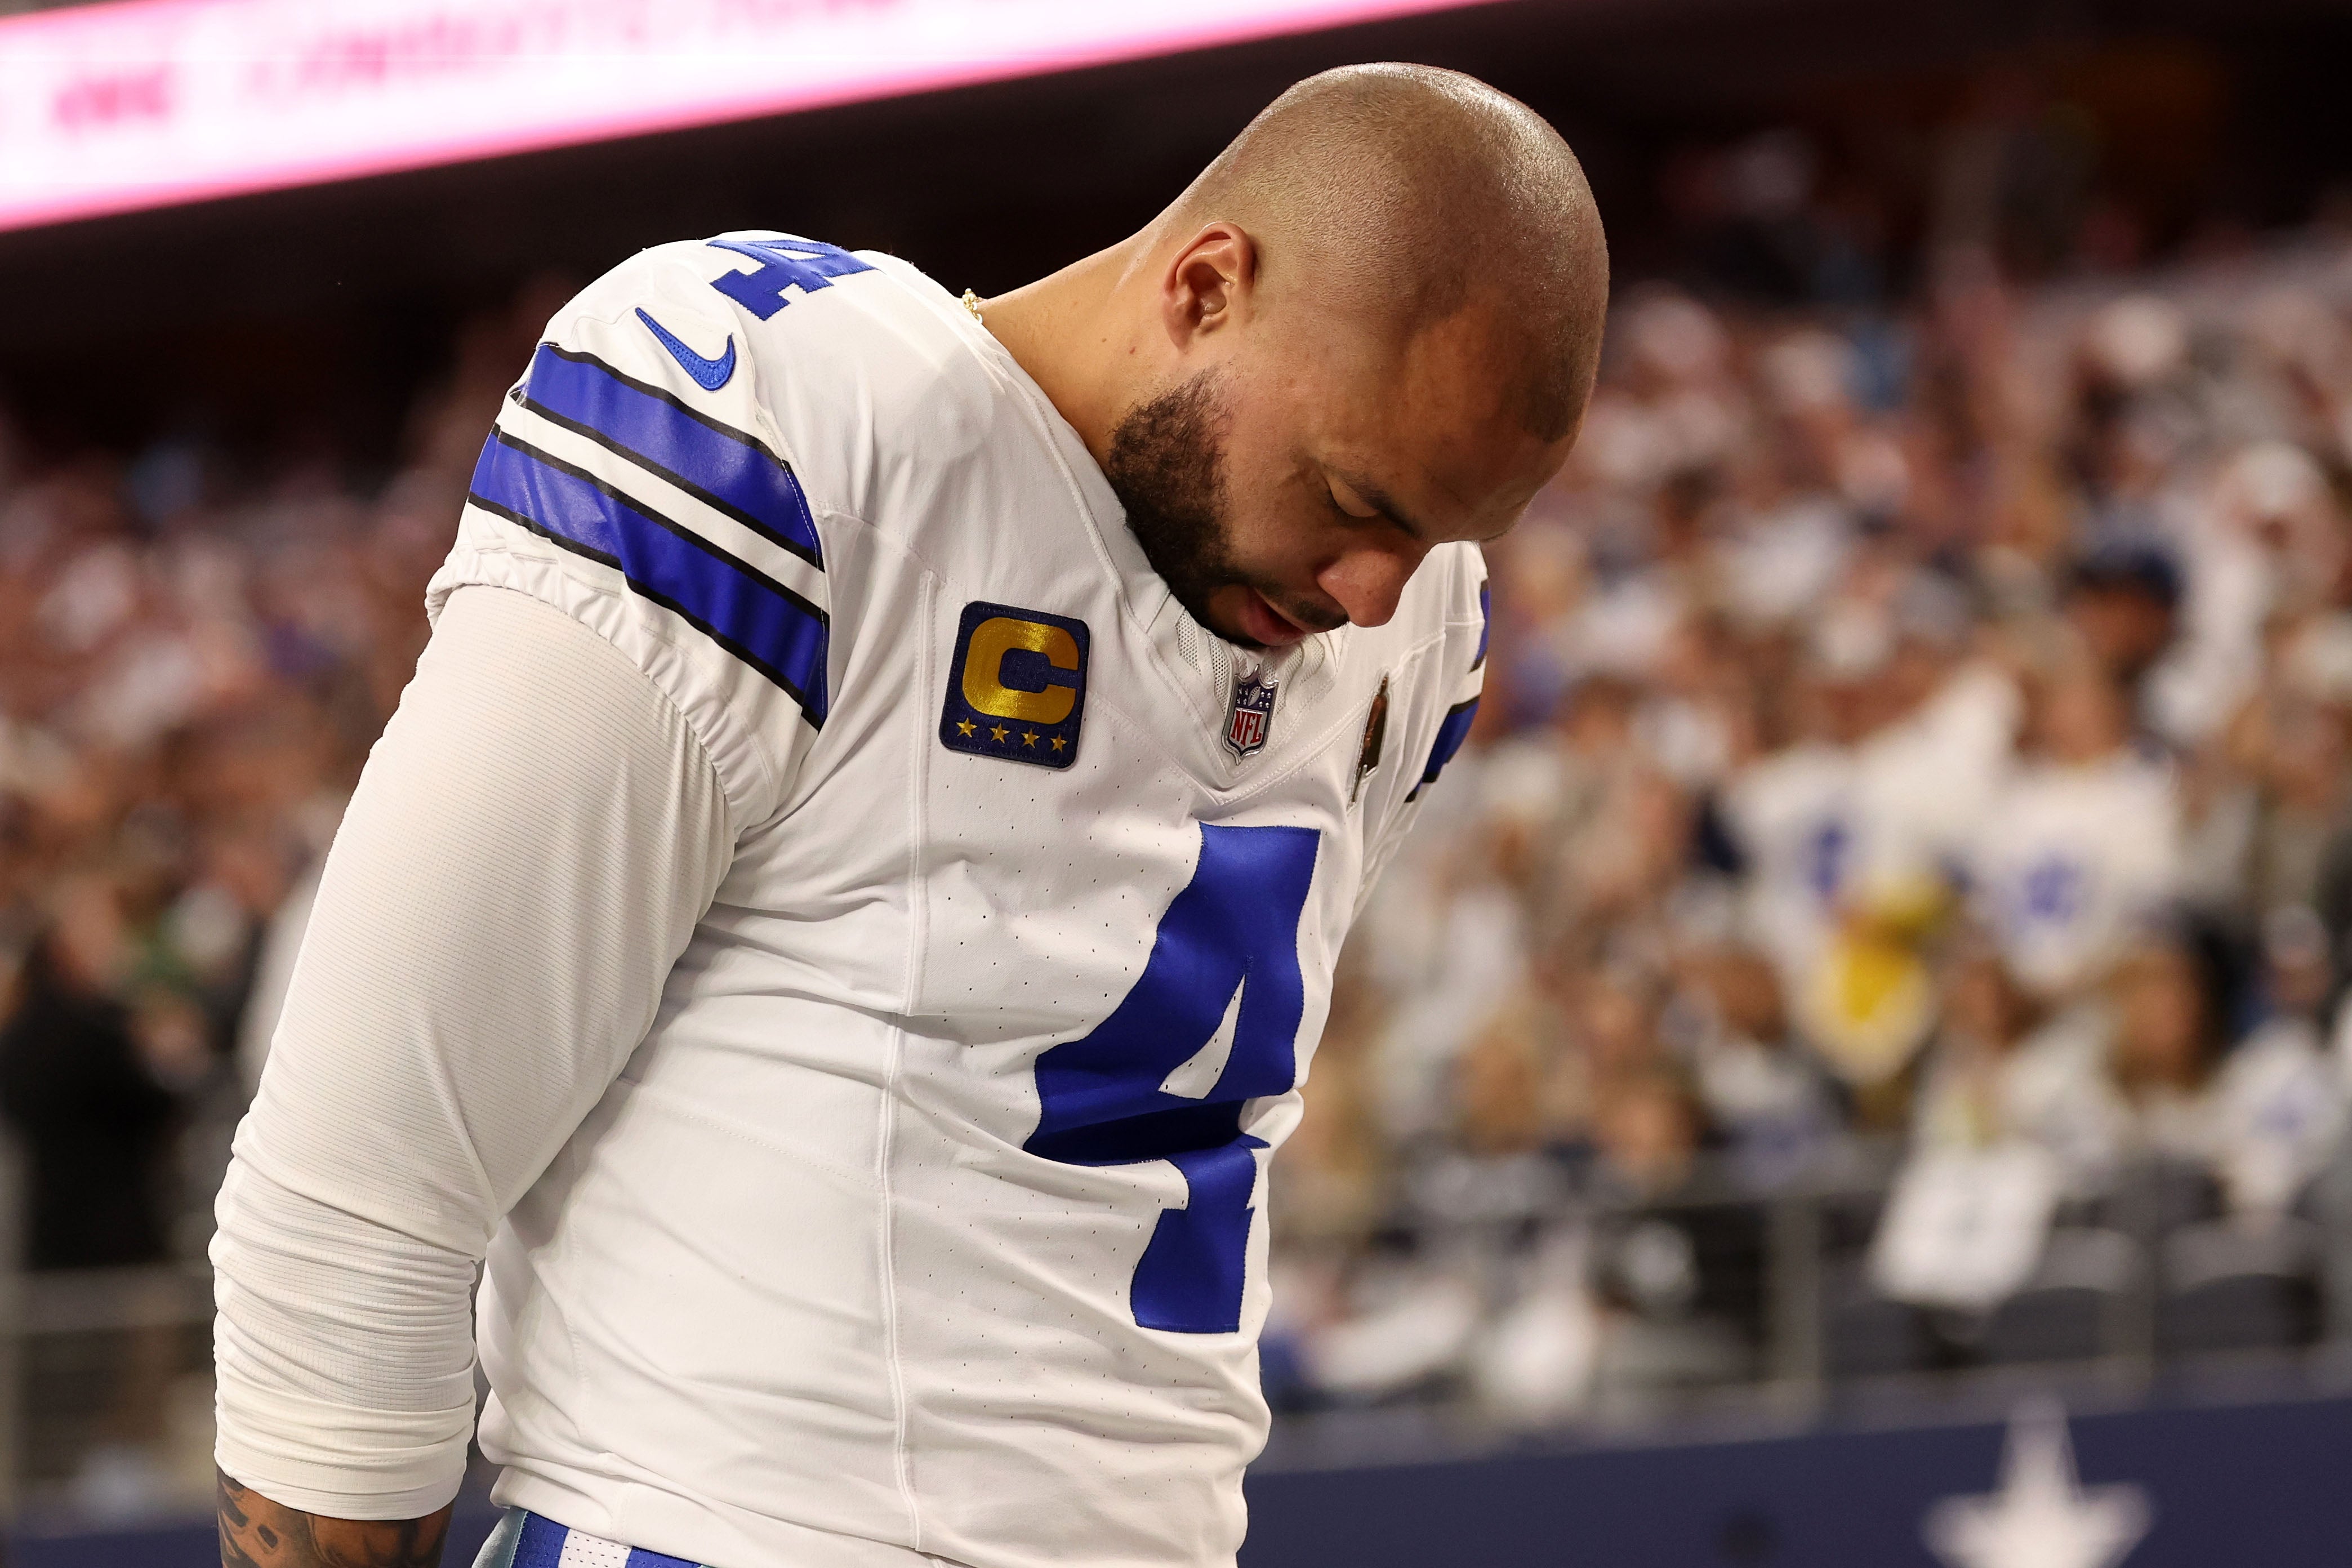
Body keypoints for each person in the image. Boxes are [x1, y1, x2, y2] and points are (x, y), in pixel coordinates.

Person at [210, 65, 1607, 1568]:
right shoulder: (800, 427)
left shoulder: (1412, 614)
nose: (1373, 595)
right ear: (1209, 287)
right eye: (1353, 498)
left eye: (1440, 533)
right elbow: (363, 1186)